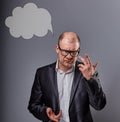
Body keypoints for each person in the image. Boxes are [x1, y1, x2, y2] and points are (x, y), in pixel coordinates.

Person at [28, 31, 106, 122]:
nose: (69, 56)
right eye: (65, 51)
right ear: (57, 49)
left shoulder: (87, 72)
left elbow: (99, 105)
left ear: (78, 51)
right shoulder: (42, 74)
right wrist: (45, 112)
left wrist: (90, 79)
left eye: (73, 52)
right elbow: (33, 105)